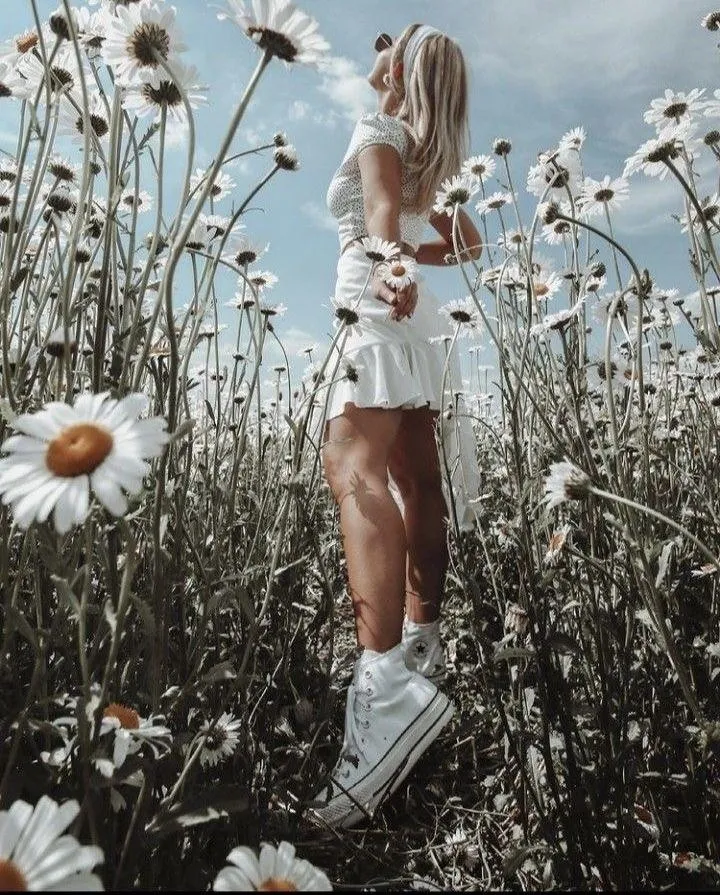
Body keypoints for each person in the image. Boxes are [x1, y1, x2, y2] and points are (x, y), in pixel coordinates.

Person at [309, 24, 482, 829]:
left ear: (403, 68)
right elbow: (468, 237)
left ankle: (382, 693)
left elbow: (378, 208)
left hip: (376, 300)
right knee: (417, 481)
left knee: (352, 468)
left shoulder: (379, 129)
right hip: (416, 317)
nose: (374, 47)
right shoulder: (433, 158)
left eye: (391, 41)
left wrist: (389, 258)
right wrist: (411, 251)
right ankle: (425, 645)